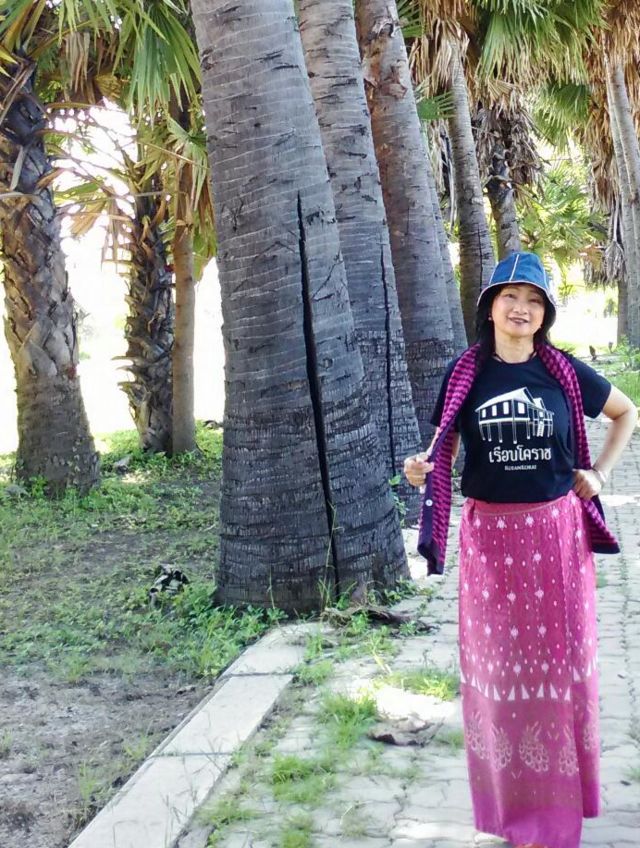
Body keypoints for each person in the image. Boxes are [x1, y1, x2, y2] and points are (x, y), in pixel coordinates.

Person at [403, 251, 637, 848]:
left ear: (545, 314)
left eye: (534, 300)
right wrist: (419, 469)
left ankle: (560, 811)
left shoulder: (563, 372)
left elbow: (625, 413)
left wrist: (599, 473)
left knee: (559, 671)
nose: (521, 308)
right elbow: (441, 450)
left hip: (556, 540)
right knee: (498, 676)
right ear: (489, 307)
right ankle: (511, 810)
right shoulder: (465, 374)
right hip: (491, 543)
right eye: (510, 296)